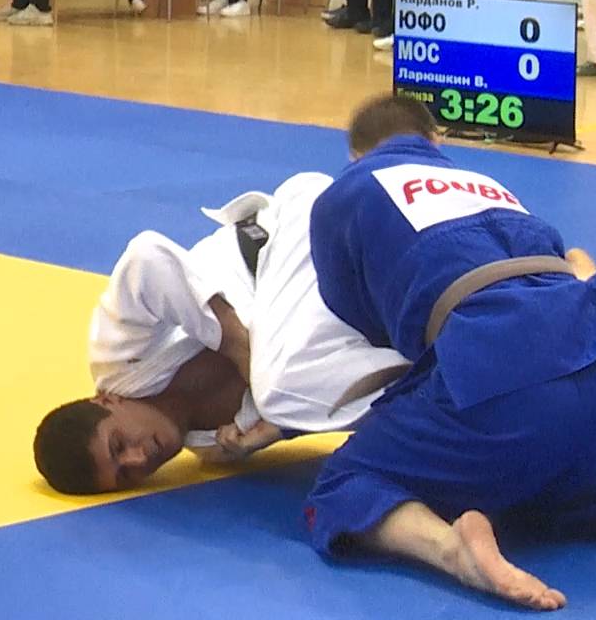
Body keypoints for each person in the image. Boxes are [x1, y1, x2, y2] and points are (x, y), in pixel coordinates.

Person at [305, 95, 596, 609]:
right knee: (534, 466)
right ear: (436, 141)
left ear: (356, 156)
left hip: (499, 375)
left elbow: (354, 319)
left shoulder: (346, 192)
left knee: (345, 482)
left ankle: (450, 548)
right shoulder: (488, 185)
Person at [32, 171, 414, 495]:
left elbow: (146, 258)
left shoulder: (117, 360)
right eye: (126, 476)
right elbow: (327, 398)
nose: (139, 459)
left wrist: (240, 350)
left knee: (279, 386)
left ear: (107, 401)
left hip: (297, 238)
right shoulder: (219, 446)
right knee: (397, 417)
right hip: (360, 312)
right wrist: (280, 429)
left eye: (118, 445)